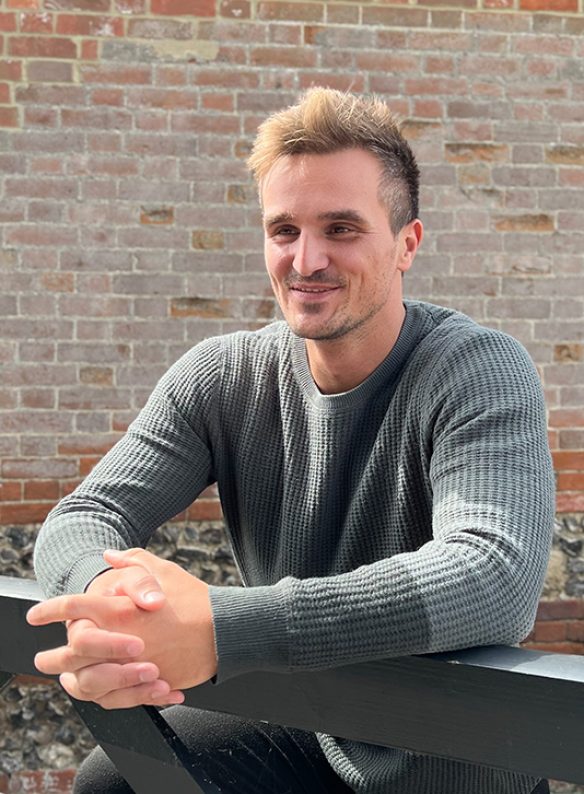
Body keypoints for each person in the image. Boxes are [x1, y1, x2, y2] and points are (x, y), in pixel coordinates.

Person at [28, 88, 555, 794]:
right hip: (312, 723)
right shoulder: (223, 377)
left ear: (407, 244)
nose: (306, 260)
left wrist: (222, 627)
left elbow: (493, 580)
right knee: (117, 782)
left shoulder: (477, 369)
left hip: (449, 757)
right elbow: (82, 517)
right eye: (283, 231)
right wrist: (118, 603)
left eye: (341, 228)